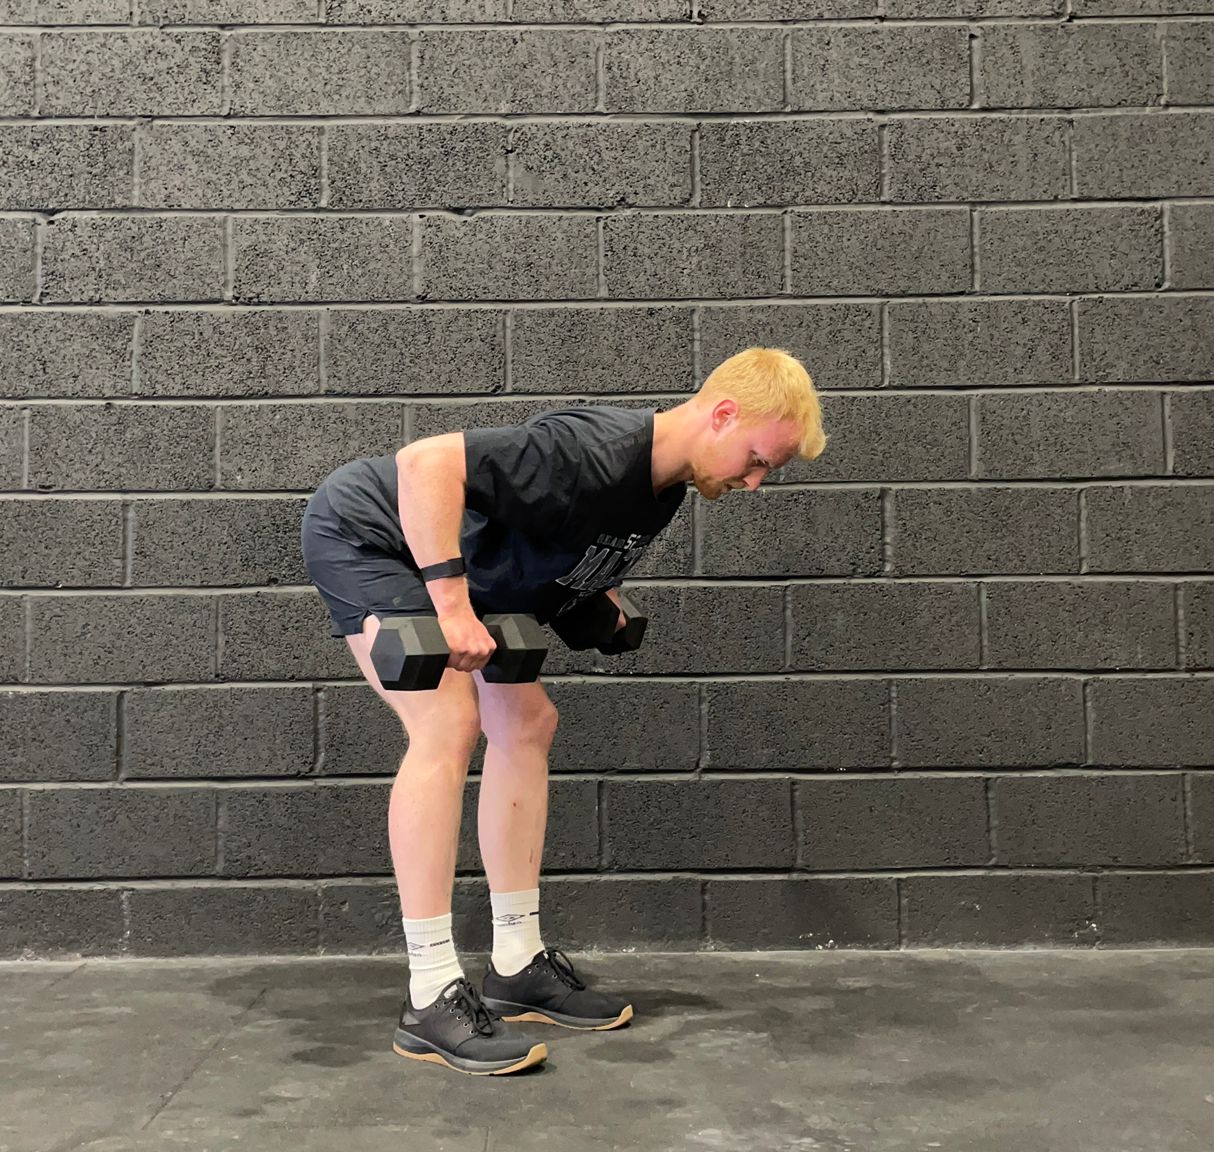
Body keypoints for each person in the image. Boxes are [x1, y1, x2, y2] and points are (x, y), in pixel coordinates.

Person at [299, 347, 829, 1075]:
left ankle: (515, 960)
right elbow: (426, 465)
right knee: (448, 720)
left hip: (451, 561)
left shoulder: (664, 488)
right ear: (724, 414)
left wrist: (592, 604)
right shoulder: (593, 451)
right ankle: (429, 992)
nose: (756, 481)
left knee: (527, 722)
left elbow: (552, 547)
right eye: (757, 459)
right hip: (374, 535)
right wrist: (450, 606)